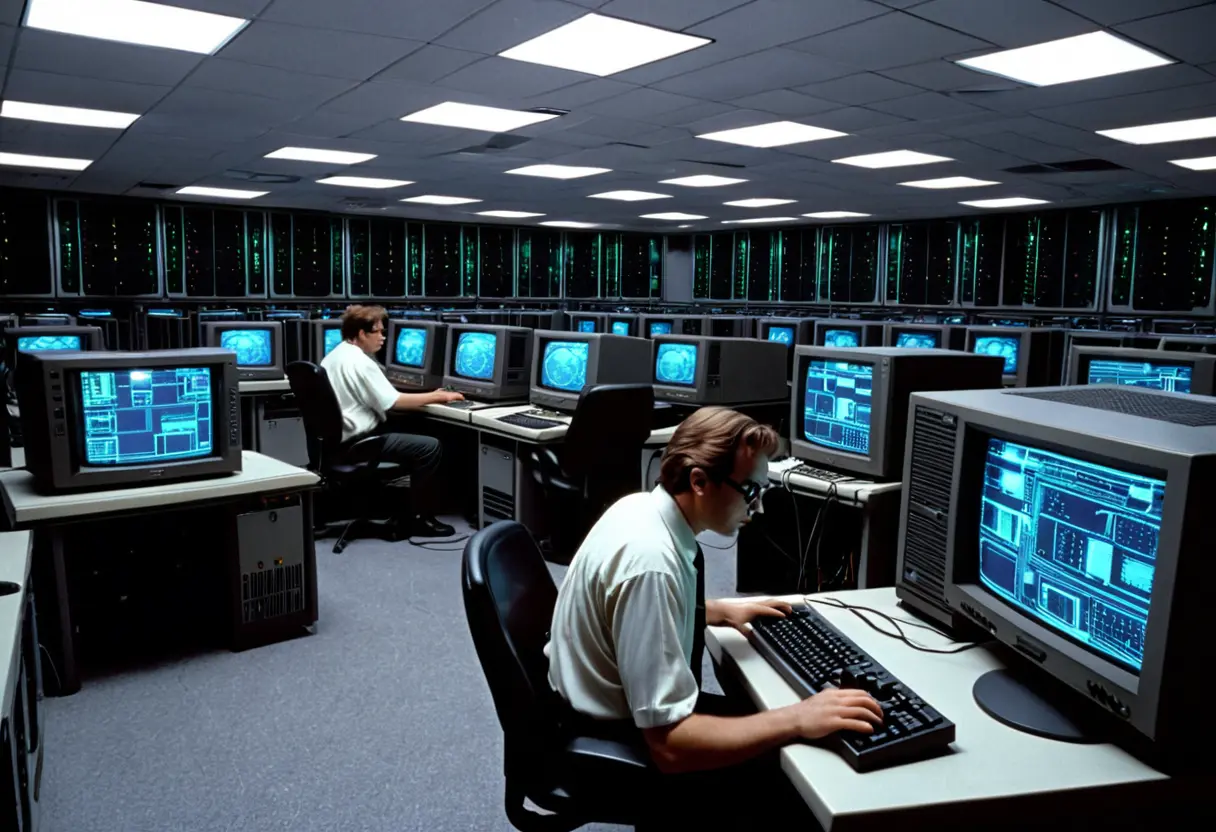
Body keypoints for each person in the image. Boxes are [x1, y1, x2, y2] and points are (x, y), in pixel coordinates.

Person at [546, 406, 882, 823]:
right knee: (807, 779)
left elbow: (623, 613)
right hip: (624, 736)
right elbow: (670, 747)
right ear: (699, 481)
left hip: (605, 705)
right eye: (751, 492)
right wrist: (798, 717)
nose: (757, 510)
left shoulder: (640, 509)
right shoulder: (652, 564)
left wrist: (710, 610)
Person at [320, 304, 464, 538]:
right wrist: (440, 396)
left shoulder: (337, 354)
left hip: (338, 442)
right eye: (378, 332)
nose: (383, 337)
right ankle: (419, 520)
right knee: (430, 446)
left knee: (416, 427)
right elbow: (394, 403)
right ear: (361, 334)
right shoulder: (360, 362)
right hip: (360, 443)